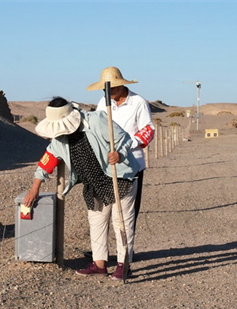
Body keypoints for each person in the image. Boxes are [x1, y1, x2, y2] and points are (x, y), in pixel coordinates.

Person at [23, 97, 140, 280]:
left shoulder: (96, 120)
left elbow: (124, 139)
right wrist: (34, 187)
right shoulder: (59, 139)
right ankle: (99, 264)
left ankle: (123, 265)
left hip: (120, 178)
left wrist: (119, 154)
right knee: (97, 223)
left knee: (121, 222)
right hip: (93, 184)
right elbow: (47, 161)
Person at [88, 67, 155, 232]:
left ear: (121, 86)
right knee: (104, 209)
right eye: (105, 89)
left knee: (128, 210)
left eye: (111, 88)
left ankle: (126, 251)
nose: (108, 92)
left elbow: (148, 130)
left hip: (132, 163)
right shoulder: (103, 102)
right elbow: (96, 127)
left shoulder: (138, 102)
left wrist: (125, 147)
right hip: (107, 163)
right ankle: (102, 252)